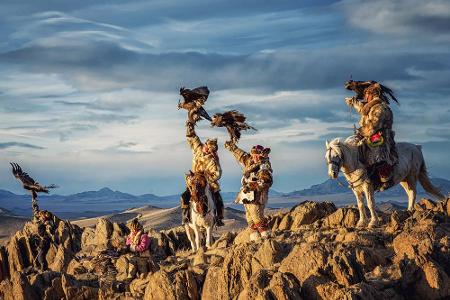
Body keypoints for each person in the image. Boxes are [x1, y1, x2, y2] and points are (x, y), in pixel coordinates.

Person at [345, 80, 399, 190]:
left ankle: (384, 178)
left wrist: (360, 132)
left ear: (372, 95)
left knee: (375, 152)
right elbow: (363, 110)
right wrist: (354, 103)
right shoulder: (371, 107)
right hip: (368, 134)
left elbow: (373, 127)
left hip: (381, 136)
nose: (364, 96)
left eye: (366, 94)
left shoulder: (380, 108)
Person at [225, 142, 273, 242]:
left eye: (257, 155)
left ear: (261, 155)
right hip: (248, 195)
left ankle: (267, 236)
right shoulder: (248, 160)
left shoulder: (264, 165)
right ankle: (255, 239)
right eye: (253, 155)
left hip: (258, 195)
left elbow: (267, 181)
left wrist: (252, 185)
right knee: (249, 218)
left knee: (257, 216)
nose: (255, 157)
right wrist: (232, 147)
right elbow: (239, 154)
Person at [181, 119, 224, 226]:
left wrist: (205, 178)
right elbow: (193, 138)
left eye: (210, 149)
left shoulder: (213, 161)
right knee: (185, 196)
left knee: (218, 199)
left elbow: (218, 174)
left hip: (207, 183)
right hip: (194, 180)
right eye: (207, 147)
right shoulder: (198, 149)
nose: (207, 150)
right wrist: (190, 126)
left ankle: (218, 218)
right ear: (205, 145)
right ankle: (186, 216)